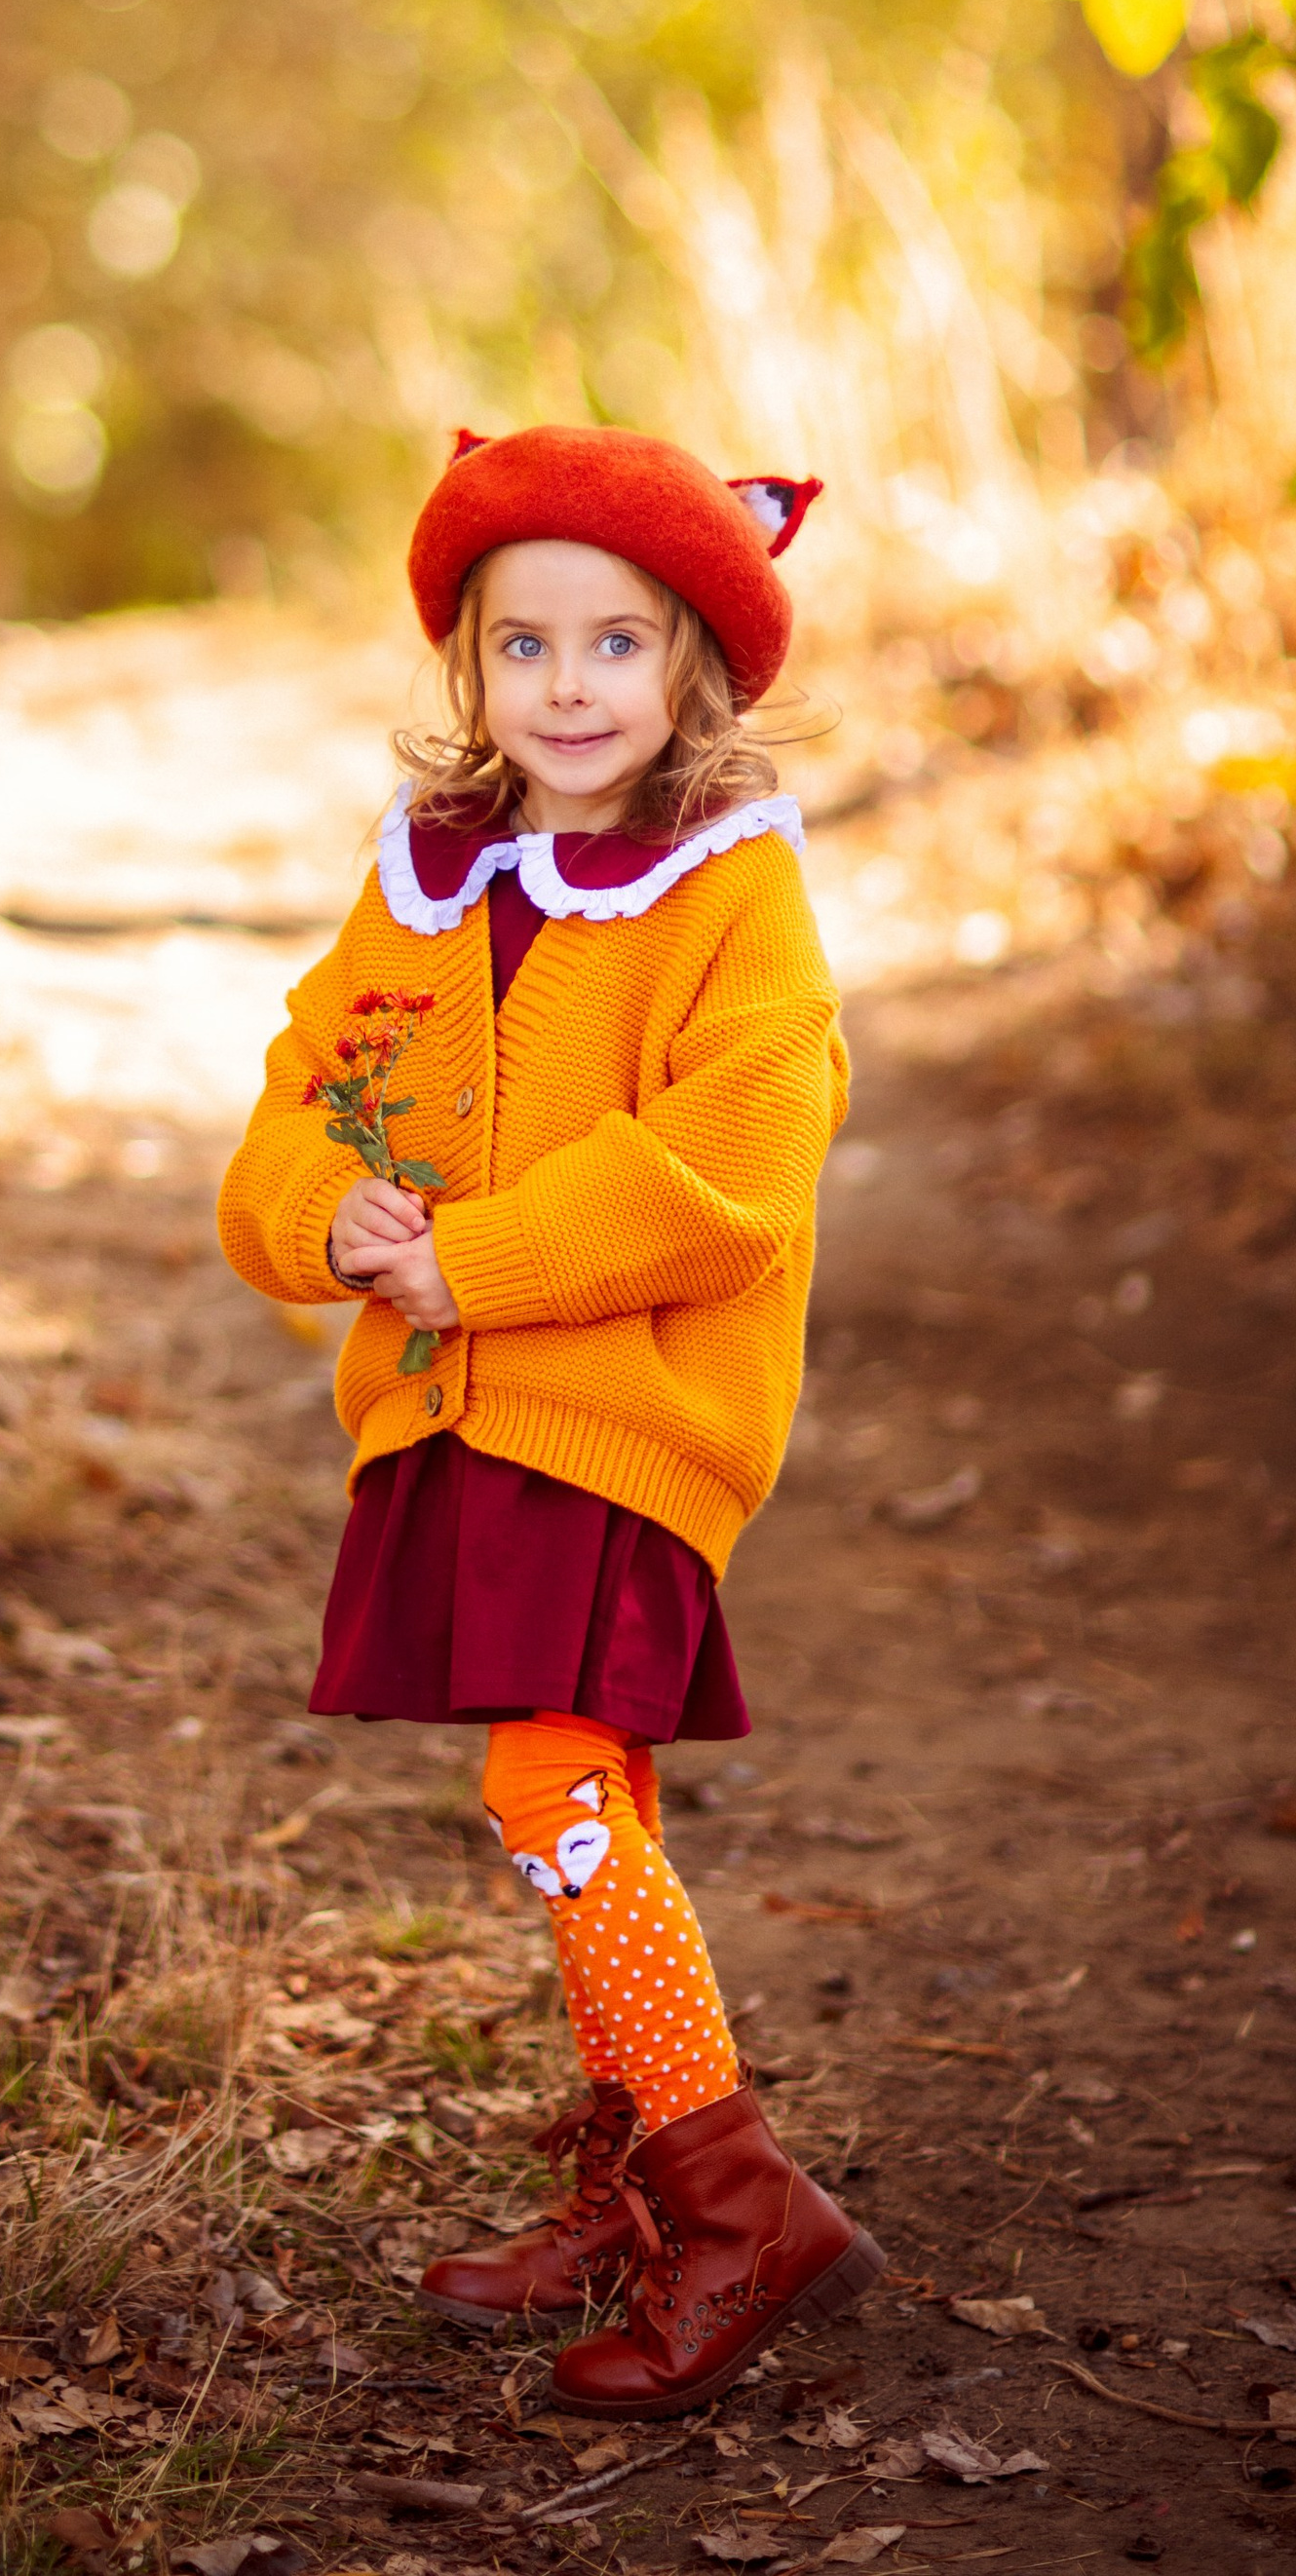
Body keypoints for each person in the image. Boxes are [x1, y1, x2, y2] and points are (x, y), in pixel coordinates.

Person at [216, 423, 884, 2415]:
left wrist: (483, 1256)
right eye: (524, 646)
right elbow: (290, 1098)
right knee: (589, 1790)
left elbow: (732, 1163)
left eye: (614, 642)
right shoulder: (420, 888)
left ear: (687, 665)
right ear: (466, 668)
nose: (568, 685)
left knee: (550, 1790)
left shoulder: (725, 896)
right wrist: (318, 1215)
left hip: (622, 1405)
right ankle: (624, 2174)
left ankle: (738, 2196)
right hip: (452, 1411)